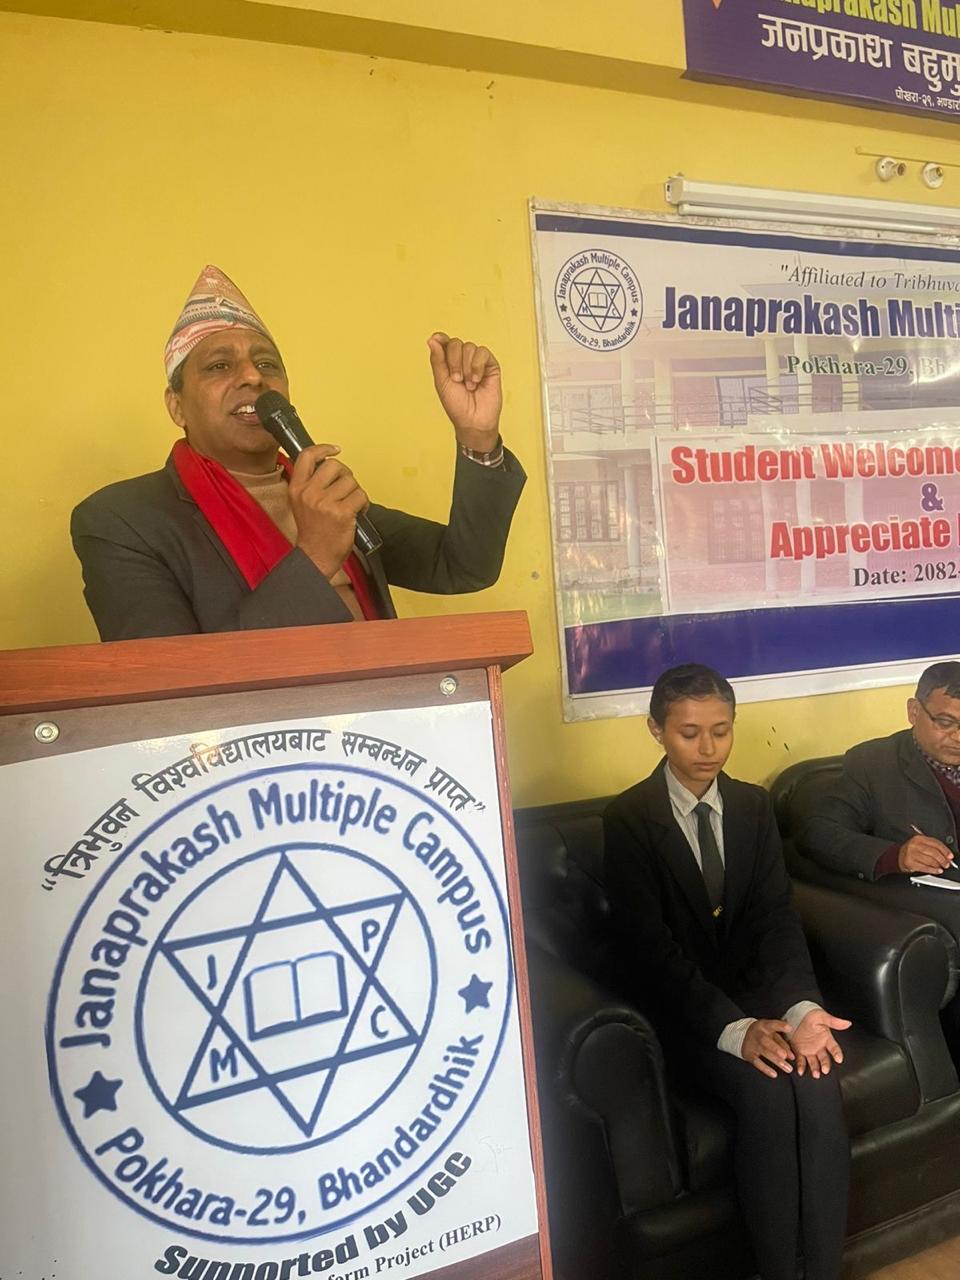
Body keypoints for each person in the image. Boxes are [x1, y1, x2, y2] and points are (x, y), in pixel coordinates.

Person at [71, 265, 525, 640]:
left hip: (383, 720)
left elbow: (464, 567)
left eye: (267, 364)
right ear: (177, 407)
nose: (253, 377)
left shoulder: (323, 495)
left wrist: (478, 435)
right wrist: (316, 555)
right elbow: (168, 681)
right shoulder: (122, 521)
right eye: (220, 365)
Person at [603, 664, 850, 1280]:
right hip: (686, 1016)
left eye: (721, 730)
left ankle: (822, 1270)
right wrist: (735, 1030)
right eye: (689, 733)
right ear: (656, 730)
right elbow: (649, 951)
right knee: (767, 1089)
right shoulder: (629, 819)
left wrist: (801, 1010)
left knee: (816, 1075)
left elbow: (776, 919)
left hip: (759, 1000)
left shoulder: (752, 807)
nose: (707, 748)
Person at [799, 660, 960, 883]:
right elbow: (818, 833)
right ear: (914, 712)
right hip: (930, 898)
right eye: (945, 723)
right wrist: (896, 856)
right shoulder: (873, 763)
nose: (958, 737)